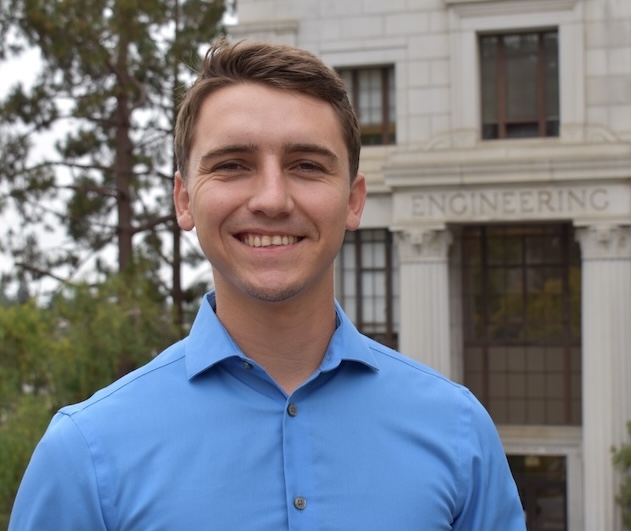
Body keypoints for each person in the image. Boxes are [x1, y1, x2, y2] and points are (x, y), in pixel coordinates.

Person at [9, 38, 526, 530]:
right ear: (184, 200)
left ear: (353, 200)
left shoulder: (459, 434)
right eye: (233, 165)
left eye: (306, 165)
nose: (272, 199)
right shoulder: (85, 451)